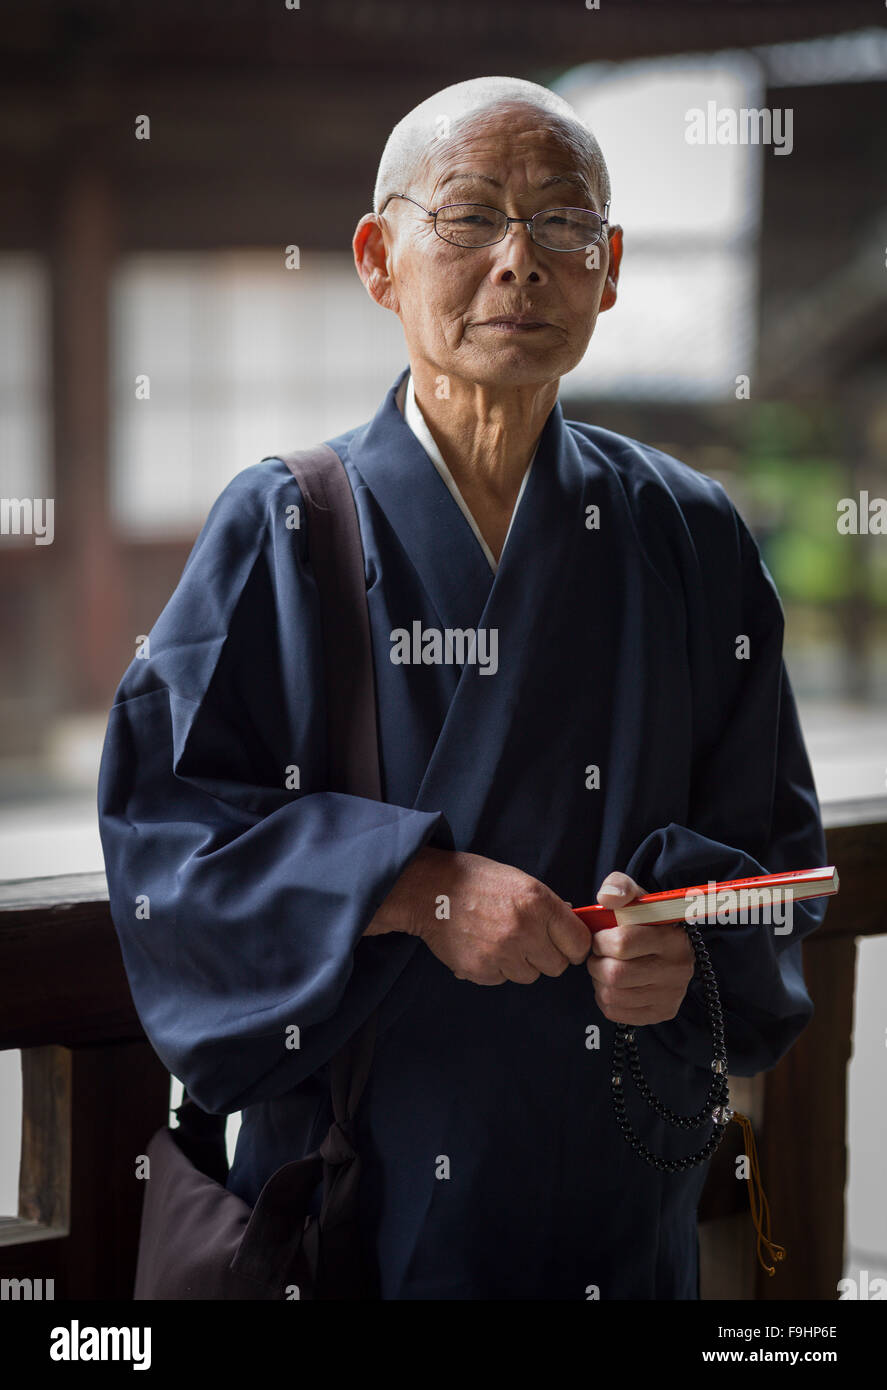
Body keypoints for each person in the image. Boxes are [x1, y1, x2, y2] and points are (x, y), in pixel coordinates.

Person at [97, 75, 827, 1300]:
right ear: (378, 258)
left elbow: (776, 866)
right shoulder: (285, 525)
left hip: (617, 1205)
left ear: (609, 268)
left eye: (560, 223)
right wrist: (410, 887)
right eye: (471, 216)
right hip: (357, 1203)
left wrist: (686, 952)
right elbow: (169, 855)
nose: (519, 262)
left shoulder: (691, 537)